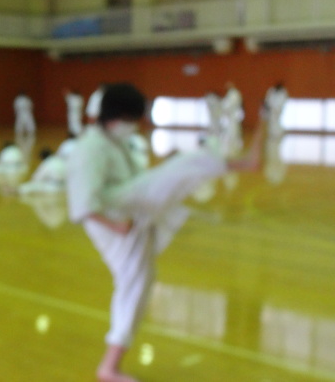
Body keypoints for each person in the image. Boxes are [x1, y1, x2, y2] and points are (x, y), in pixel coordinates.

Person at [65, 83, 263, 382]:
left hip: (129, 210)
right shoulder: (89, 149)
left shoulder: (112, 142)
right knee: (178, 169)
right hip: (115, 218)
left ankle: (109, 366)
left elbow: (131, 181)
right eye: (132, 119)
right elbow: (82, 204)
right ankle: (108, 368)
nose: (135, 126)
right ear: (116, 116)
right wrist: (117, 226)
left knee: (139, 283)